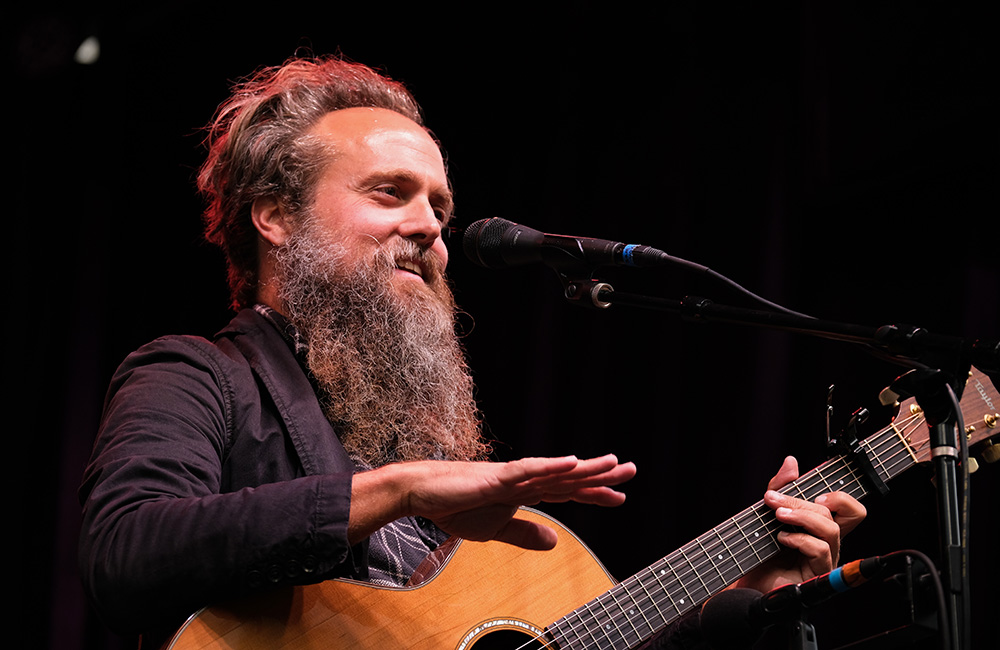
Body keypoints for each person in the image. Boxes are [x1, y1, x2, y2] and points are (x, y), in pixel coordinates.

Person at [77, 56, 866, 648]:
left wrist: (747, 597)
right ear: (276, 217)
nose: (430, 227)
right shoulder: (196, 376)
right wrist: (401, 490)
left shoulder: (413, 432)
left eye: (440, 206)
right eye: (390, 193)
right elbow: (127, 554)